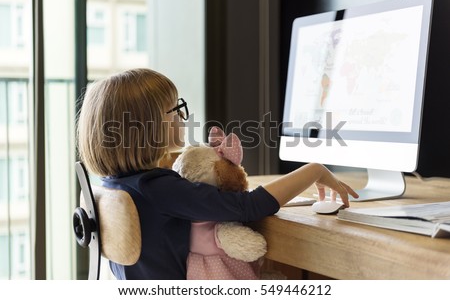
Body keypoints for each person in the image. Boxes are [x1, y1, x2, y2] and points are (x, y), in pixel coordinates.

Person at [77, 68, 359, 280]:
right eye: (176, 110)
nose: (183, 117)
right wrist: (313, 170)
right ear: (147, 128)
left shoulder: (115, 185)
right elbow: (248, 207)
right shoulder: (159, 188)